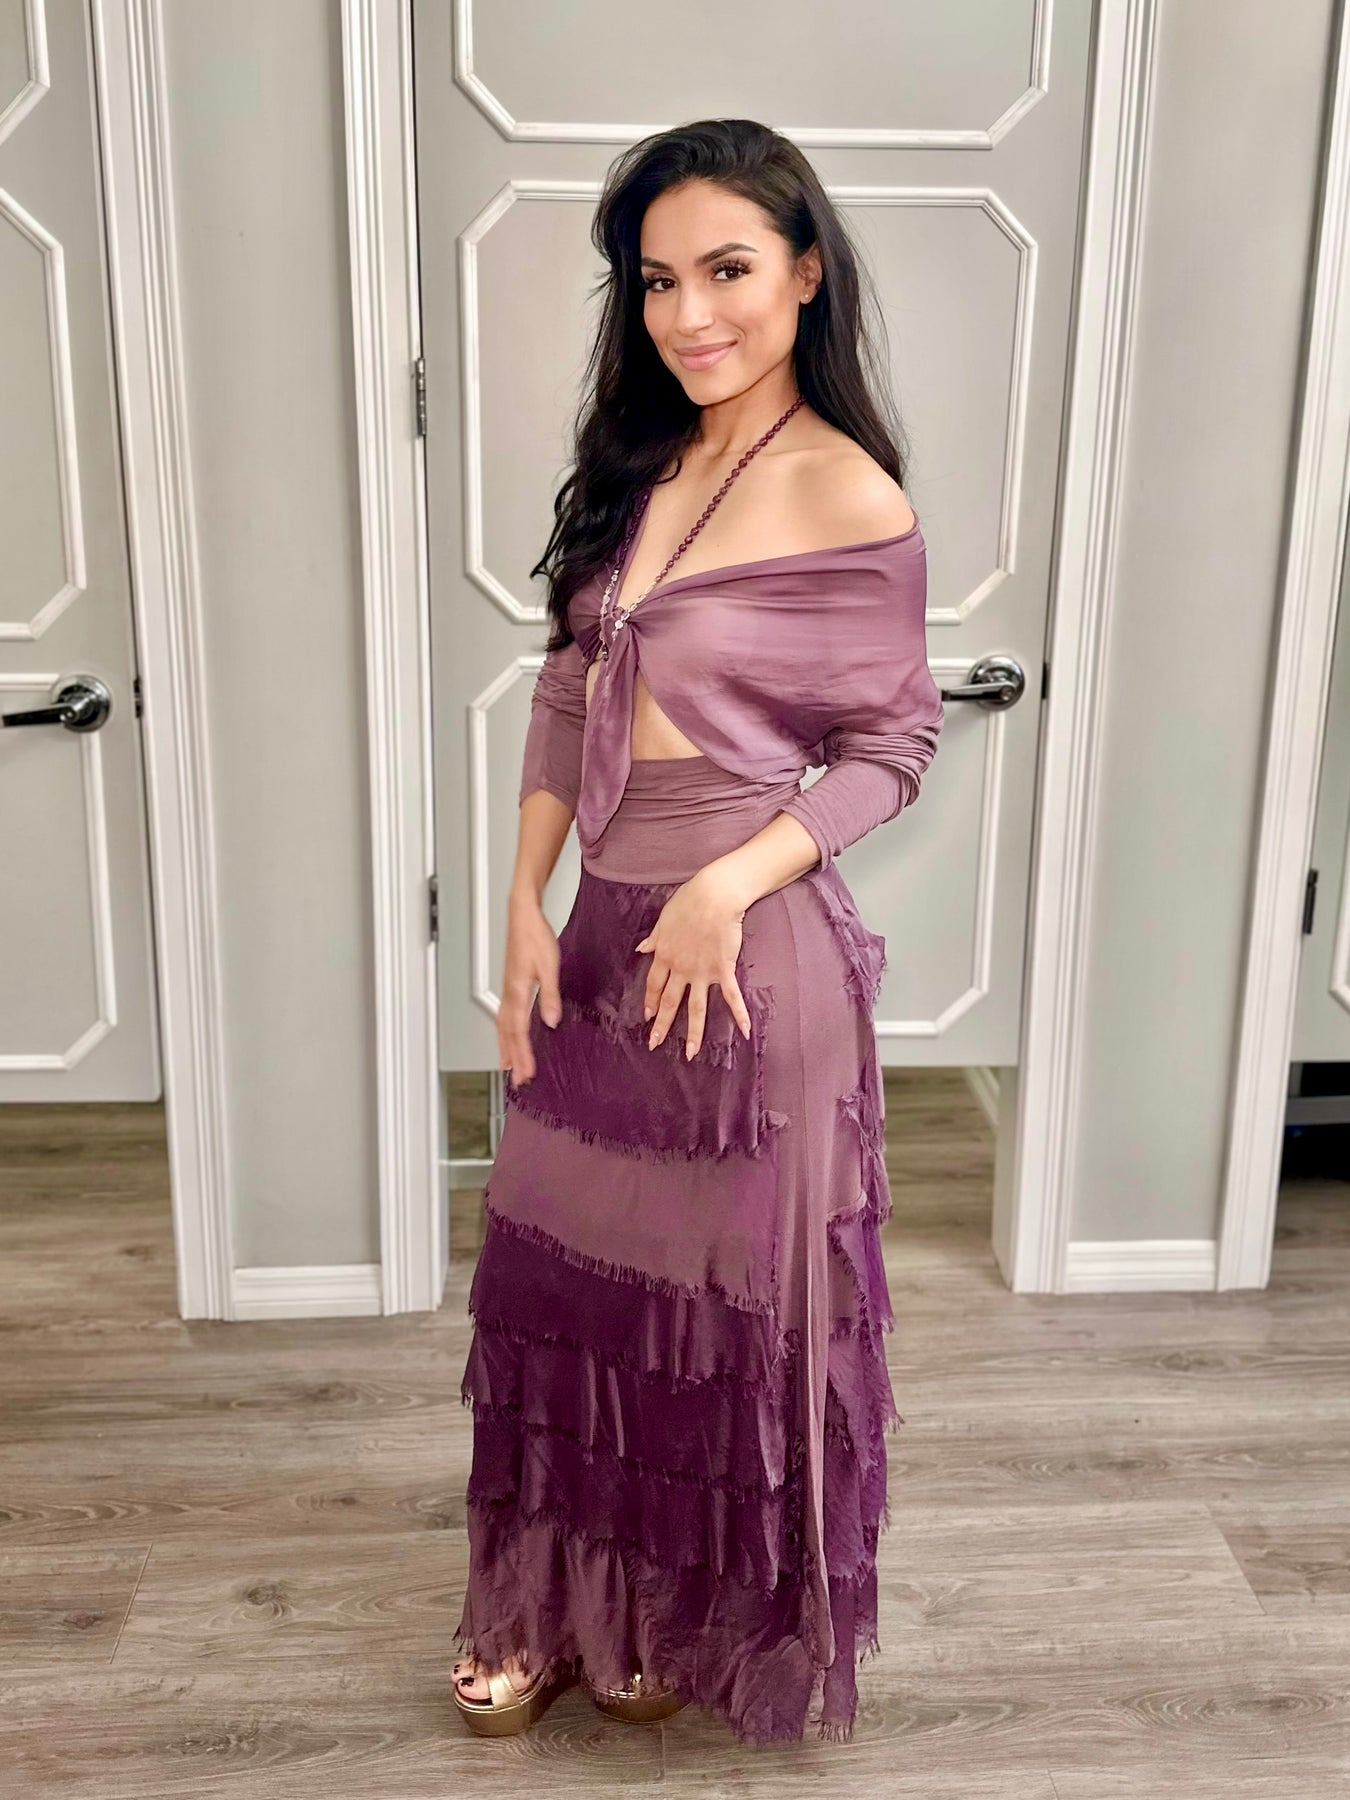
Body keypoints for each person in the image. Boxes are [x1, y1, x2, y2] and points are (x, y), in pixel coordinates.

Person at [451, 117, 943, 1747]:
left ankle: (662, 1614)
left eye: (725, 269)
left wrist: (728, 886)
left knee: (705, 1325)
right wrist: (524, 904)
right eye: (656, 279)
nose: (687, 313)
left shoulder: (845, 488)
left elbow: (892, 747)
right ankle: (548, 1607)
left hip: (741, 964)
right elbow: (570, 686)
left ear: (803, 274)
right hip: (598, 941)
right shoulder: (639, 459)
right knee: (567, 1298)